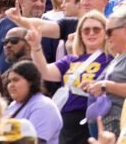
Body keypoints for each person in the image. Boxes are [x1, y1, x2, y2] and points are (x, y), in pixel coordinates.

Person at [26, 11, 111, 144]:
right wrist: (36, 47)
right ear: (80, 35)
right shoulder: (72, 59)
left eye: (96, 29)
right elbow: (45, 72)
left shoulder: (109, 59)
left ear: (106, 33)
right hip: (64, 120)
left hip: (88, 120)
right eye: (86, 30)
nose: (91, 33)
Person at [82, 11, 126, 135]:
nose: (106, 37)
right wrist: (95, 85)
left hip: (120, 123)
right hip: (105, 125)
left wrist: (105, 86)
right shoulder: (119, 57)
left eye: (109, 32)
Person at [5, 61, 63, 144]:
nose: (11, 85)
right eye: (9, 81)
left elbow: (36, 141)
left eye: (16, 80)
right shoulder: (13, 106)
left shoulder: (43, 106)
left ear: (30, 82)